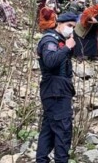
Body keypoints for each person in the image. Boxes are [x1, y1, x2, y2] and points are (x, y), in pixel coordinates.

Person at [36, 12, 78, 163]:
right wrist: (67, 48)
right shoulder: (50, 40)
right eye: (68, 25)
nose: (71, 29)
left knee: (48, 130)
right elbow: (50, 61)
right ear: (59, 24)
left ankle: (41, 160)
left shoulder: (61, 40)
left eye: (73, 27)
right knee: (63, 129)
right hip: (55, 90)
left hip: (58, 89)